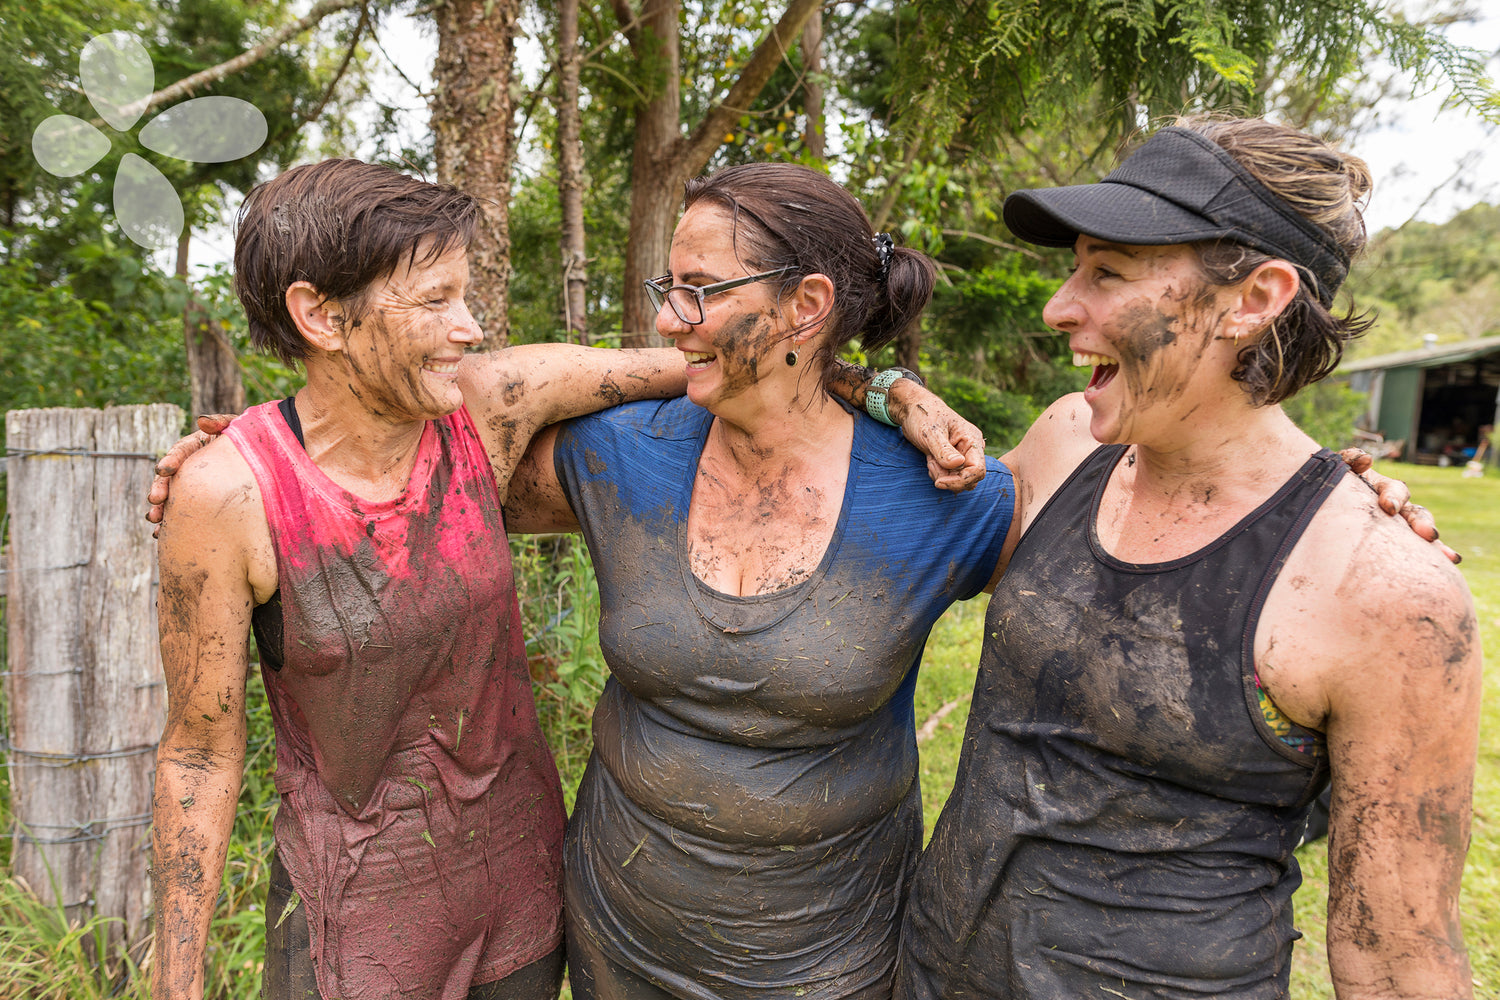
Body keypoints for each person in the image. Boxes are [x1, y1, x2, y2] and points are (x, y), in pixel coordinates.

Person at [149, 158, 982, 1000]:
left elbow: (741, 360)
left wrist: (892, 389)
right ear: (319, 315)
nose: (470, 327)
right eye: (436, 301)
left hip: (522, 889)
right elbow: (197, 752)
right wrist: (176, 984)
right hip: (353, 915)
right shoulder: (228, 493)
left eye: (463, 296)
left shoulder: (488, 405)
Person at [897, 116, 1482, 999]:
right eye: (1075, 267)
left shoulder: (1383, 590)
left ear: (1255, 298)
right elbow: (837, 460)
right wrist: (888, 386)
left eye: (1108, 272)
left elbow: (1398, 963)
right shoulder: (1066, 445)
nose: (1060, 306)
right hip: (932, 972)